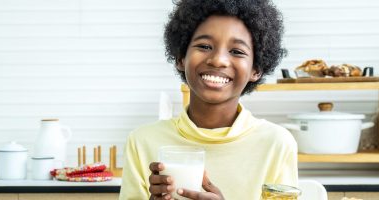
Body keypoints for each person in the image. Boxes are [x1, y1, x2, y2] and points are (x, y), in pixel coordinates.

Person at [119, 0, 297, 199]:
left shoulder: (276, 143)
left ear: (256, 70)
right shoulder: (143, 141)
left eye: (237, 51)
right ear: (181, 58)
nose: (218, 60)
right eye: (204, 46)